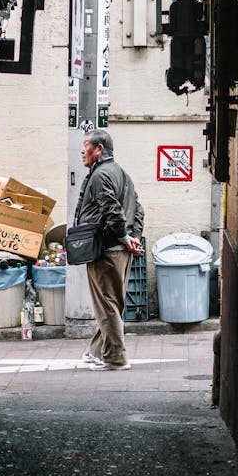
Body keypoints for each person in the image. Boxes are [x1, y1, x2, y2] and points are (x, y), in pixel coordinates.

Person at [76, 129, 144, 371]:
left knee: (107, 305)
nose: (82, 151)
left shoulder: (100, 175)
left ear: (100, 149)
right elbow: (138, 209)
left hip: (106, 250)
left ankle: (115, 358)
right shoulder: (122, 174)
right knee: (113, 302)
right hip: (121, 250)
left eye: (87, 146)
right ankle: (96, 350)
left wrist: (126, 238)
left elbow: (111, 210)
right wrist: (133, 238)